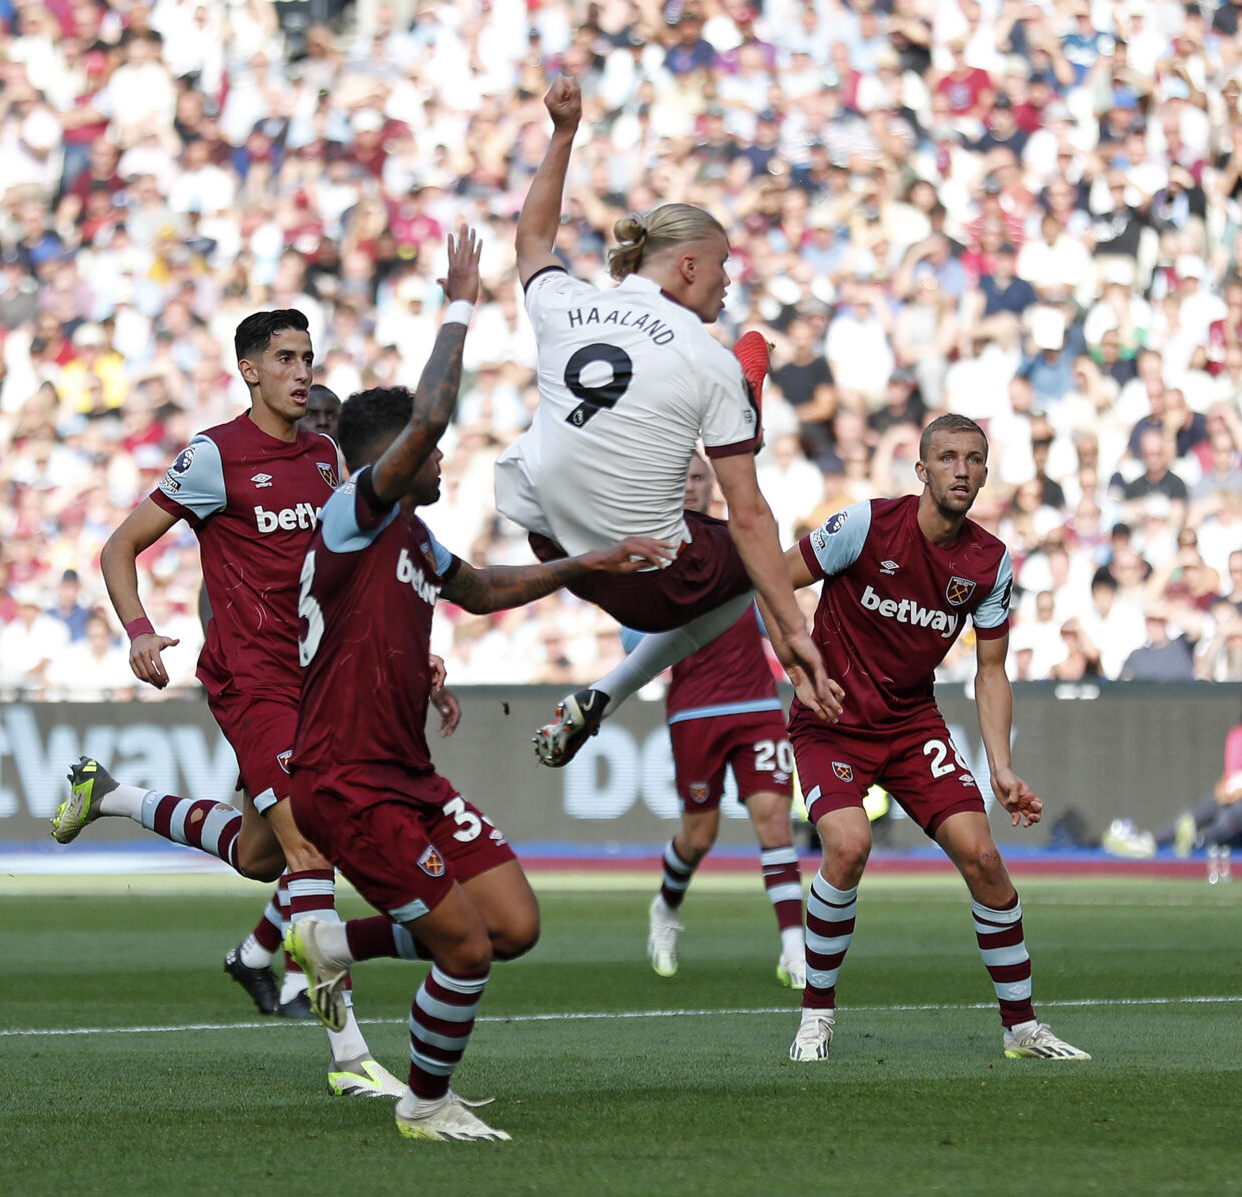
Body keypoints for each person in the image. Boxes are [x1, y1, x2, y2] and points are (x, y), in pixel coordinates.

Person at [281, 229, 674, 1141]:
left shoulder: (411, 539)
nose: (444, 457)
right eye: (428, 451)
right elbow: (428, 418)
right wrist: (460, 303)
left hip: (405, 772)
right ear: (391, 461)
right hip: (346, 778)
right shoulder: (353, 513)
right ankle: (424, 1105)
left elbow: (483, 589)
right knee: (462, 948)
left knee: (512, 923)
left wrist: (595, 558)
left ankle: (332, 943)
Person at [49, 309, 402, 1097]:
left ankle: (111, 795)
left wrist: (412, 649)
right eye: (285, 357)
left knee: (260, 857)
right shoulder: (214, 455)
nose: (302, 371)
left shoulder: (323, 459)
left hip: (321, 680)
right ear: (249, 370)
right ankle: (350, 1059)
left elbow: (349, 568)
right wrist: (138, 629)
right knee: (313, 847)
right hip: (253, 683)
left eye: (308, 356)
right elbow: (118, 547)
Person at [498, 75, 836, 768]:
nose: (728, 281)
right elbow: (748, 518)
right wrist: (792, 630)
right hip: (648, 577)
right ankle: (612, 691)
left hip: (552, 544)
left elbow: (531, 240)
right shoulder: (704, 357)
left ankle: (602, 696)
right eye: (722, 266)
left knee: (733, 534)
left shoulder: (567, 302)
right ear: (687, 265)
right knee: (756, 560)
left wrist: (563, 132)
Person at [783, 414, 1087, 1063]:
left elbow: (992, 668)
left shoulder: (989, 561)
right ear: (922, 470)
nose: (961, 469)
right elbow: (774, 578)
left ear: (985, 471)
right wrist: (797, 663)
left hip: (910, 722)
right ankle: (815, 1018)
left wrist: (1001, 766)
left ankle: (1022, 1028)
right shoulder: (863, 525)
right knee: (848, 845)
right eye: (947, 458)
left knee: (983, 858)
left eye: (974, 459)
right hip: (832, 718)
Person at [638, 454, 806, 989]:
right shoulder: (650, 550)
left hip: (756, 703)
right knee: (699, 835)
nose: (688, 484)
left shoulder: (740, 537)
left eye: (696, 476)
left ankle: (795, 950)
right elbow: (635, 636)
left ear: (712, 484)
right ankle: (665, 909)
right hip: (693, 710)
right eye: (679, 476)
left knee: (774, 824)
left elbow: (768, 611)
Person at [1105, 686, 1242, 879]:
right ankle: (1149, 841)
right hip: (1236, 795)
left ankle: (1196, 843)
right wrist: (1222, 789)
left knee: (1232, 816)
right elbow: (1229, 774)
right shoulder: (1238, 736)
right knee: (1194, 814)